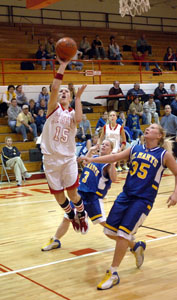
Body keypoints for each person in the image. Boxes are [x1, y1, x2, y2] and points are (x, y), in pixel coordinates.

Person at [83, 123, 177, 290]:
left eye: (153, 128)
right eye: (148, 127)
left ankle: (113, 272)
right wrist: (92, 159)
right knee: (109, 231)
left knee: (122, 234)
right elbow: (114, 157)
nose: (148, 128)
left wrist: (175, 193)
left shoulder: (164, 155)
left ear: (159, 136)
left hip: (142, 200)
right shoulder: (135, 148)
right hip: (125, 195)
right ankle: (136, 246)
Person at [41, 139, 118, 251]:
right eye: (102, 144)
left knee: (103, 222)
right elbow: (85, 163)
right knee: (67, 217)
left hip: (93, 197)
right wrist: (90, 151)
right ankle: (55, 240)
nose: (103, 146)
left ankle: (123, 240)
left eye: (106, 145)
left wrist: (112, 162)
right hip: (81, 193)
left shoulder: (108, 164)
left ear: (111, 149)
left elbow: (114, 178)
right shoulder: (94, 158)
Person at [40, 59, 88, 234]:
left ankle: (81, 213)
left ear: (71, 96)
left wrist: (80, 97)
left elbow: (79, 120)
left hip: (67, 158)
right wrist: (63, 65)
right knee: (59, 196)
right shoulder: (53, 109)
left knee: (73, 194)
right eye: (61, 91)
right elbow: (54, 88)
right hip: (51, 158)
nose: (62, 92)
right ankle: (70, 214)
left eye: (66, 91)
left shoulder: (73, 113)